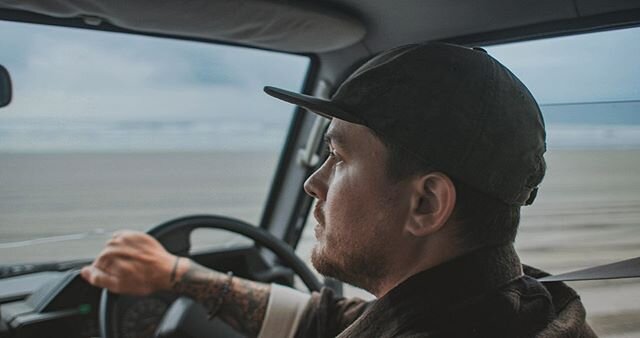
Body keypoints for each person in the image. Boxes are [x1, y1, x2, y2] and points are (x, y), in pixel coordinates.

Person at [81, 42, 596, 337]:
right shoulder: (516, 302)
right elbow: (332, 319)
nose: (313, 183)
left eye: (339, 157)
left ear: (426, 203)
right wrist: (177, 274)